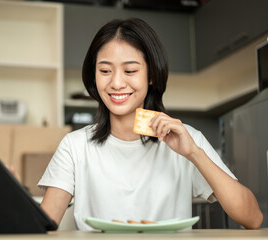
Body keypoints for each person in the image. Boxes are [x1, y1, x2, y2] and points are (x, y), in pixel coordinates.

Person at [37, 18, 263, 230]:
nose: (116, 83)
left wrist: (194, 153)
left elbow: (253, 218)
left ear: (152, 75)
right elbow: (41, 228)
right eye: (105, 71)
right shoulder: (75, 146)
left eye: (130, 71)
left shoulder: (186, 138)